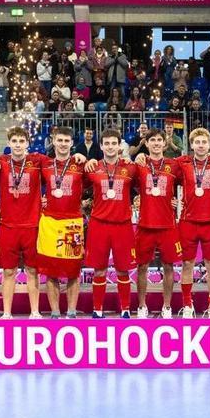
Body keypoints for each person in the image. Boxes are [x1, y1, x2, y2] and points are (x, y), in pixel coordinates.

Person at [0, 127, 53, 319]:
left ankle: (35, 311)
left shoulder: (38, 161)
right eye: (14, 141)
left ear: (27, 144)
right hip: (7, 226)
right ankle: (6, 312)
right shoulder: (0, 162)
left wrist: (79, 154)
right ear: (9, 143)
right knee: (8, 271)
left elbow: (62, 160)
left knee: (32, 270)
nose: (18, 145)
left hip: (32, 226)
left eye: (22, 141)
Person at [84, 130, 137, 319]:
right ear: (101, 146)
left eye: (113, 143)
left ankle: (125, 309)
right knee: (100, 269)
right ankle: (97, 309)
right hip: (99, 224)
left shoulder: (130, 168)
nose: (110, 147)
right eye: (106, 143)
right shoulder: (93, 168)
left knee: (123, 268)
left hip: (122, 224)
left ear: (119, 145)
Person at [175, 128, 210, 318]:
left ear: (209, 144)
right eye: (197, 142)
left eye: (204, 142)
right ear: (191, 144)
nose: (201, 145)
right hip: (188, 221)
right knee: (187, 264)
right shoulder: (183, 162)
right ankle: (188, 305)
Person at [134, 128, 183, 318]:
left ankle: (167, 307)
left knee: (169, 266)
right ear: (146, 143)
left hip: (167, 225)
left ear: (164, 143)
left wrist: (180, 201)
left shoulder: (174, 165)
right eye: (152, 140)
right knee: (142, 267)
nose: (156, 143)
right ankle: (142, 306)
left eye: (159, 140)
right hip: (145, 225)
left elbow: (189, 182)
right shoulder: (140, 165)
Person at [37, 126, 86, 318]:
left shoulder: (80, 164)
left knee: (73, 271)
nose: (63, 144)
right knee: (51, 272)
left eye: (67, 141)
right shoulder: (45, 164)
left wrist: (87, 158)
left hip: (72, 223)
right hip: (49, 223)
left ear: (72, 143)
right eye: (60, 140)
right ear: (53, 141)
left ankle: (72, 311)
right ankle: (55, 312)